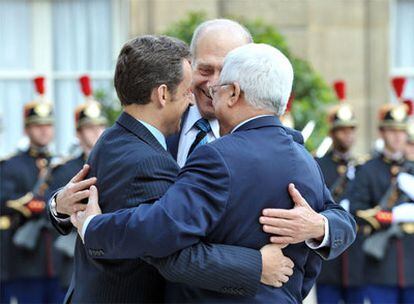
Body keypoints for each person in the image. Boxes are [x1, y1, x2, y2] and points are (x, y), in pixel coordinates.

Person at [72, 43, 356, 303]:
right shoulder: (305, 160)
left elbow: (161, 228)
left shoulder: (218, 156)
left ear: (233, 94)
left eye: (218, 87)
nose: (202, 97)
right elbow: (308, 266)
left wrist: (92, 227)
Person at [0, 77, 63, 303]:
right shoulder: (11, 165)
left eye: (48, 125)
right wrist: (46, 205)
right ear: (27, 129)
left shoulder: (61, 164)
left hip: (57, 260)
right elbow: (5, 200)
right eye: (38, 125)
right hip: (25, 261)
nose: (44, 131)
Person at [45, 75, 107, 295]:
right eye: (89, 127)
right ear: (78, 132)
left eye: (100, 126)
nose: (96, 132)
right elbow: (55, 211)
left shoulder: (113, 163)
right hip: (73, 257)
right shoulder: (65, 168)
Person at [350, 103, 414, 303]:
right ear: (381, 132)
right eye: (391, 130)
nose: (397, 136)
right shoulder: (368, 170)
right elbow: (357, 212)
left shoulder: (412, 169)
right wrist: (391, 217)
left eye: (401, 131)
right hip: (381, 268)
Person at [315, 81, 367, 304]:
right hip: (328, 261)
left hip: (356, 259)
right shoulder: (318, 164)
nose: (348, 135)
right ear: (333, 133)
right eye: (343, 130)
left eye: (351, 129)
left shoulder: (363, 167)